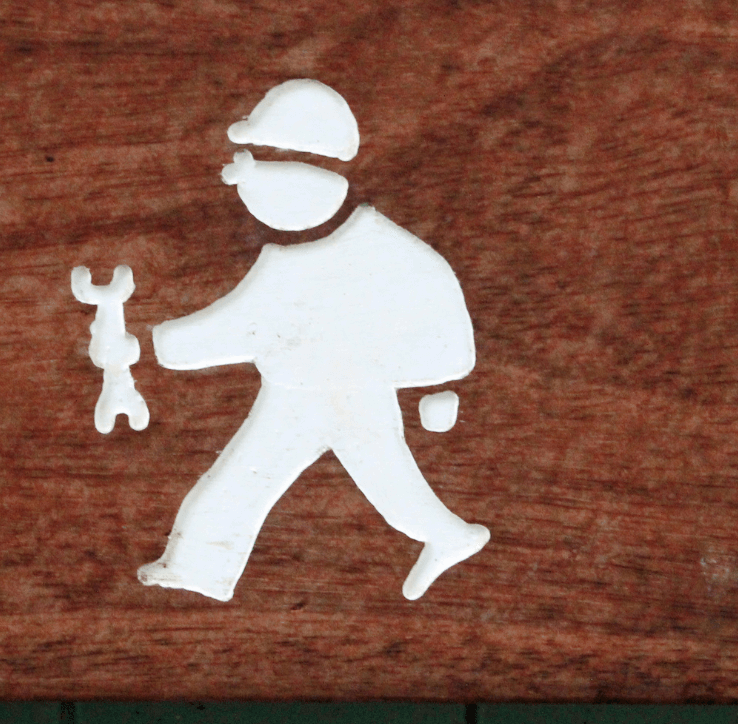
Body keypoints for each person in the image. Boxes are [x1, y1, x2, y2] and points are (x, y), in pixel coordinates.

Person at [139, 79, 490, 602]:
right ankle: (199, 567)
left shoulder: (357, 253)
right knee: (255, 478)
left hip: (345, 392)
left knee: (368, 481)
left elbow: (232, 328)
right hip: (302, 393)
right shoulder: (312, 255)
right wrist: (159, 344)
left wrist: (157, 344)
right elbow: (234, 326)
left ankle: (449, 534)